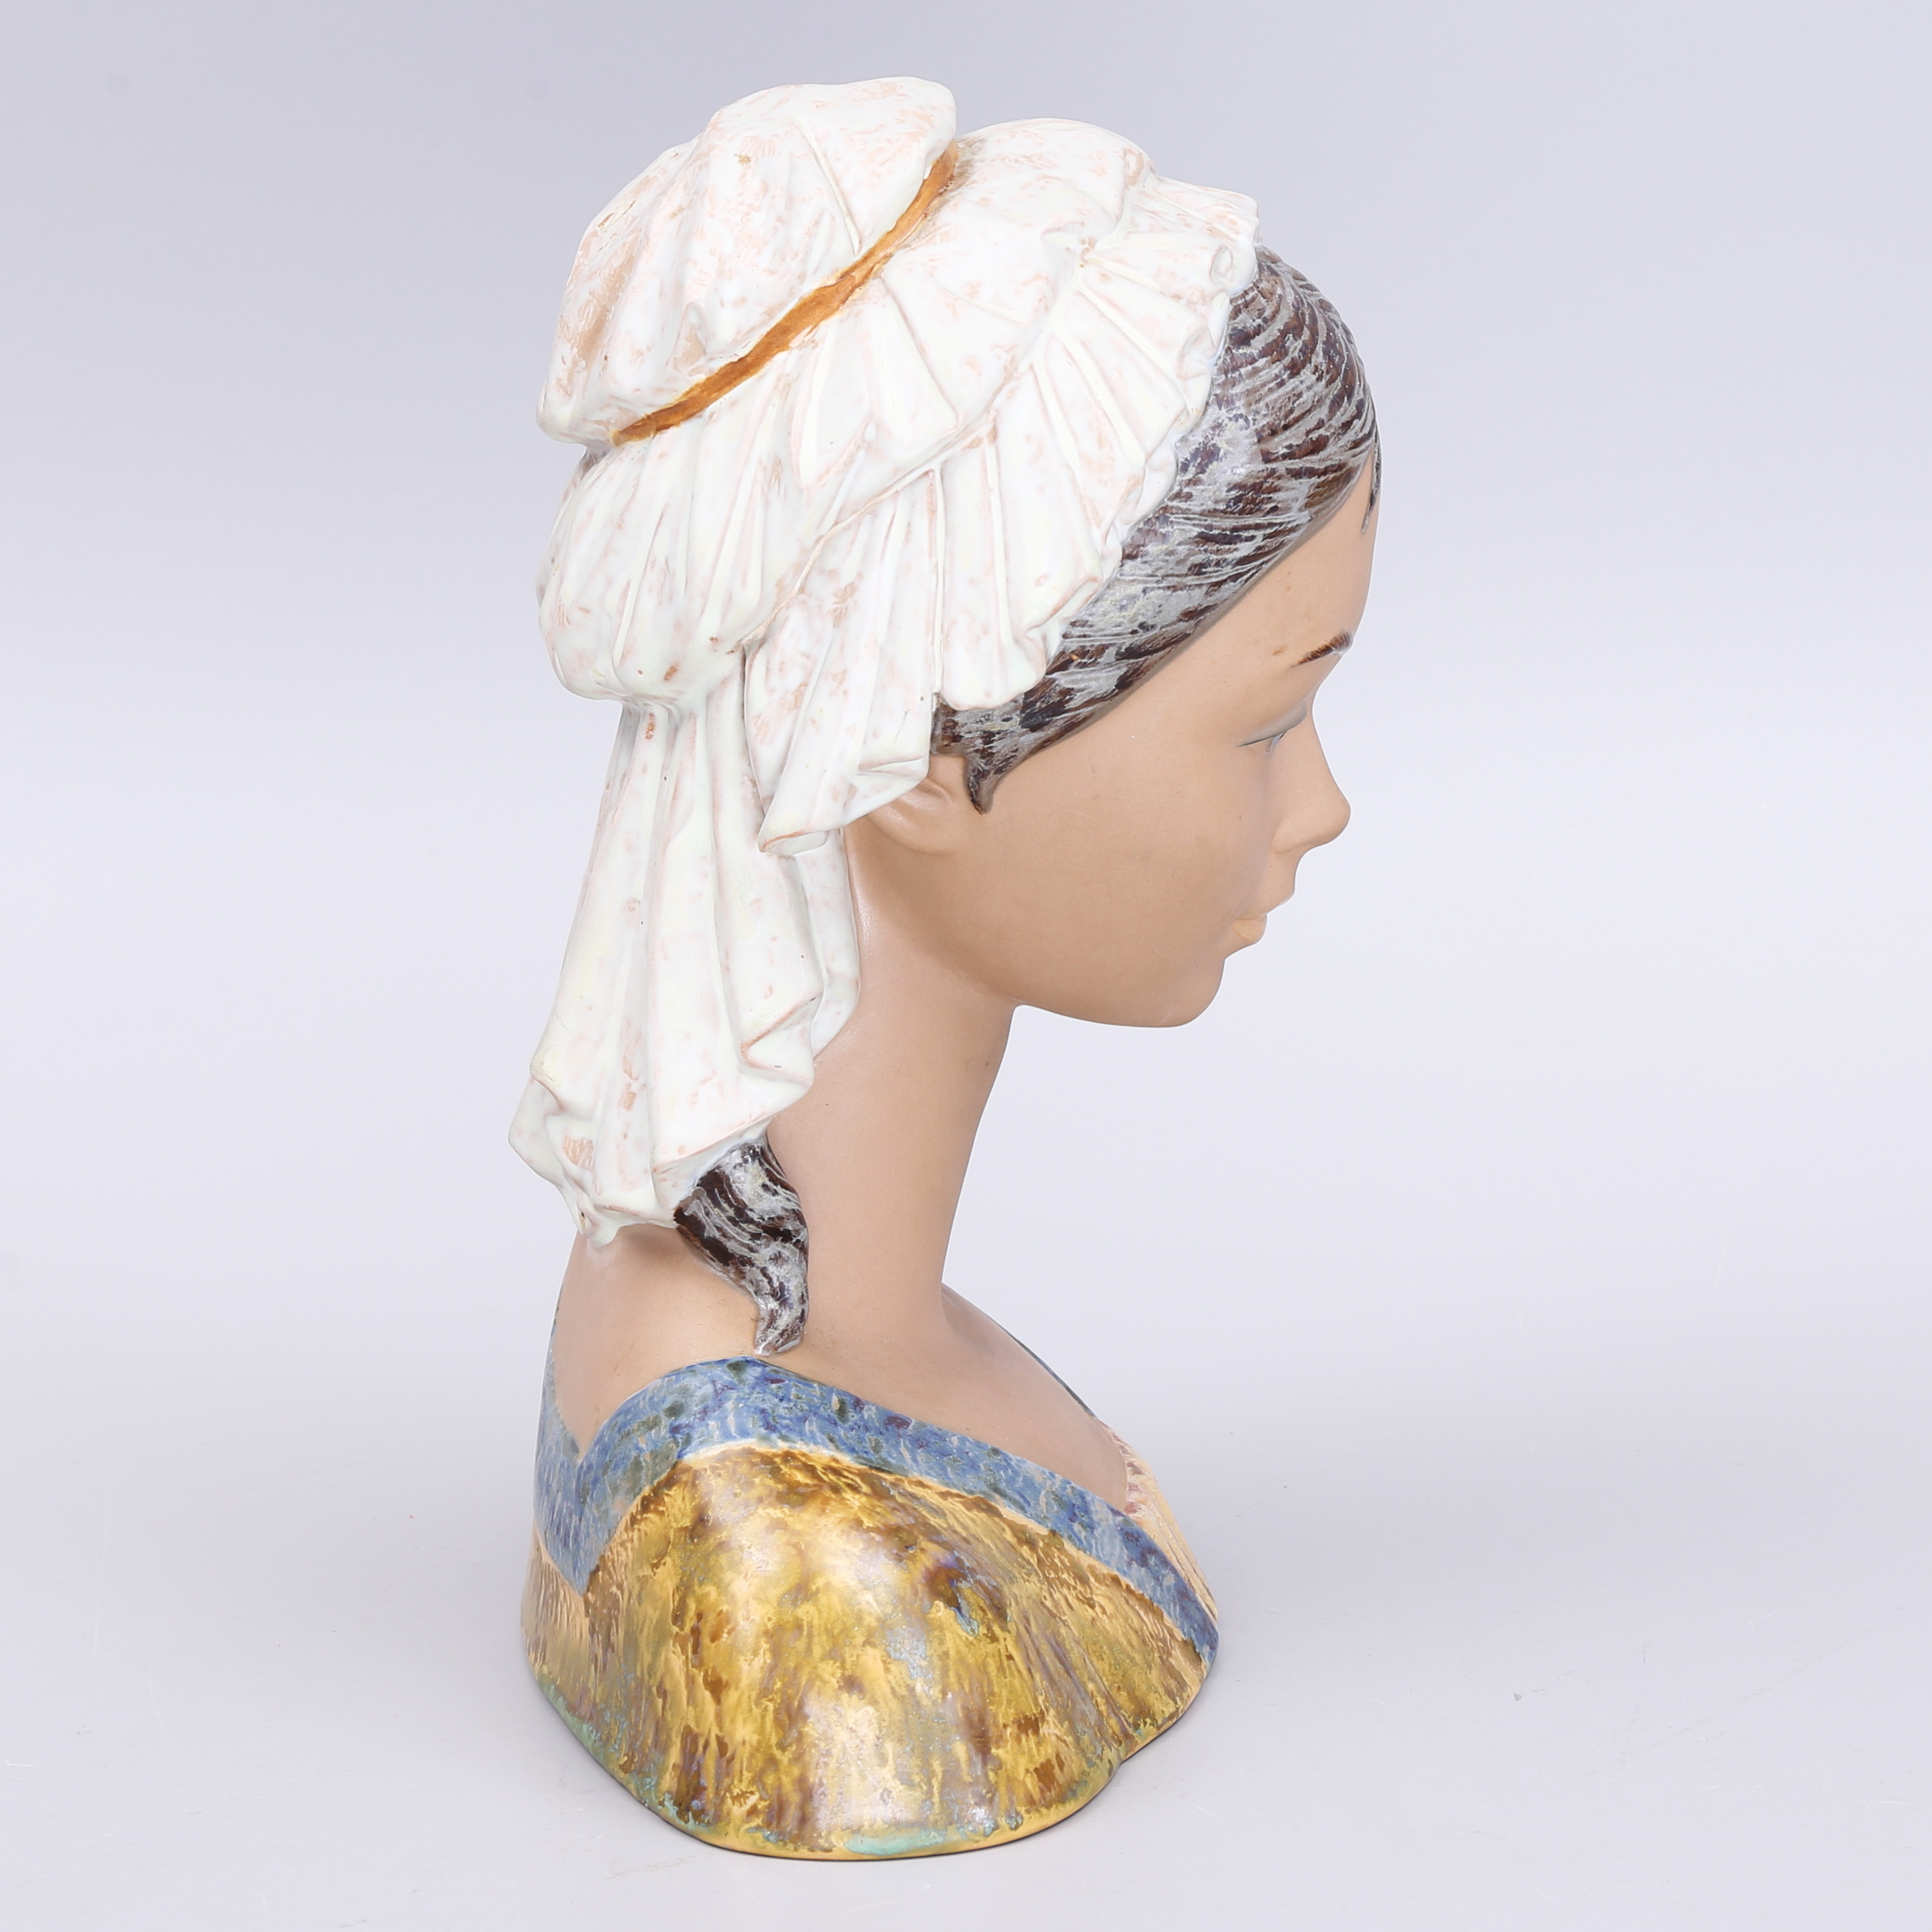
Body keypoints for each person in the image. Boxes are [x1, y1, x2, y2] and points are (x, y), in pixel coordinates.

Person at [514, 76, 1379, 1858]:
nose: (1325, 805)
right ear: (913, 740)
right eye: (1266, 723)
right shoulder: (808, 1596)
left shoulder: (852, 1342)